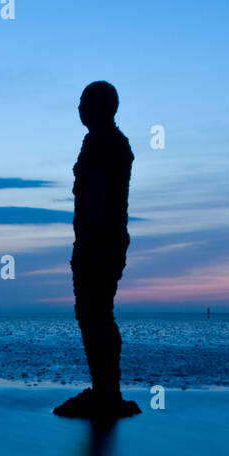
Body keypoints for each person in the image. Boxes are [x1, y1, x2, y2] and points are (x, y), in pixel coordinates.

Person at [54, 81, 141, 421]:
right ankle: (105, 388)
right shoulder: (103, 142)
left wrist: (91, 241)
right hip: (100, 240)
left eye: (83, 102)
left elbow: (99, 196)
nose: (78, 108)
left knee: (95, 313)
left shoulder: (105, 144)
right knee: (94, 313)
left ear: (99, 107)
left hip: (100, 241)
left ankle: (107, 391)